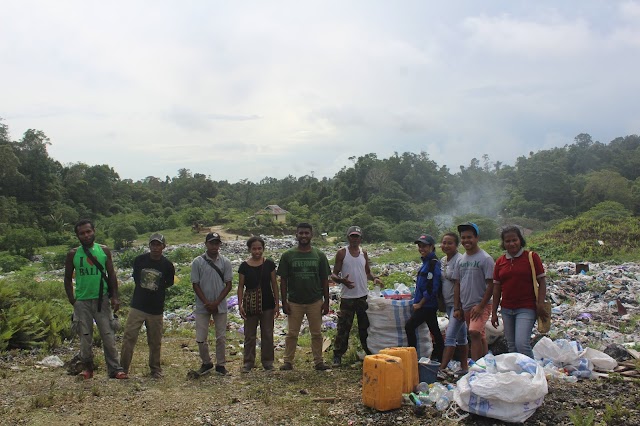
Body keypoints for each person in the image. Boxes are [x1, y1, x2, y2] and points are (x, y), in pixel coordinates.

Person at [63, 219, 128, 379]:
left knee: (108, 335)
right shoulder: (73, 254)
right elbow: (67, 279)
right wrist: (73, 300)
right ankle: (87, 369)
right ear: (77, 235)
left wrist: (115, 296)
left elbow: (111, 274)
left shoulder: (103, 251)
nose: (86, 235)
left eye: (88, 231)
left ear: (94, 231)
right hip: (82, 301)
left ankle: (115, 369)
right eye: (82, 233)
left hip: (102, 300)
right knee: (85, 338)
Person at [120, 233, 175, 378]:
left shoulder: (167, 265)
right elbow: (136, 278)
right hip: (137, 306)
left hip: (156, 309)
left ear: (164, 246)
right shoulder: (140, 260)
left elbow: (169, 283)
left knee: (155, 341)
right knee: (129, 338)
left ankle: (155, 369)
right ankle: (123, 368)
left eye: (159, 245)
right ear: (149, 245)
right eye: (153, 244)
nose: (156, 248)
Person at [278, 222, 331, 371]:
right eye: (301, 233)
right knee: (292, 334)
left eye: (306, 233)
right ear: (296, 235)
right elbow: (283, 280)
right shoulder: (288, 255)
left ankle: (319, 361)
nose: (303, 236)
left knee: (316, 333)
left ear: (311, 235)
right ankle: (288, 361)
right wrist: (284, 301)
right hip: (294, 301)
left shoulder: (319, 255)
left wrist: (326, 302)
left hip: (315, 301)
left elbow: (324, 280)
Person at [491, 226, 548, 359]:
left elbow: (542, 282)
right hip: (506, 309)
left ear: (520, 240)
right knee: (511, 345)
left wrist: (540, 304)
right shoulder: (500, 261)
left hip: (526, 307)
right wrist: (494, 312)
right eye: (507, 241)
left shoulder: (531, 257)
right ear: (503, 243)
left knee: (522, 344)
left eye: (514, 240)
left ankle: (532, 373)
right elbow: (497, 288)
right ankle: (519, 374)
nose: (511, 244)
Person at [330, 226, 382, 367]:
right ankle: (337, 355)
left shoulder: (363, 254)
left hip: (363, 296)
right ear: (348, 237)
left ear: (360, 238)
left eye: (357, 236)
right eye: (352, 236)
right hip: (348, 297)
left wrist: (375, 278)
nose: (354, 239)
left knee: (365, 327)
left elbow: (367, 272)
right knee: (343, 327)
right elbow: (334, 274)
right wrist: (342, 281)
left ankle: (369, 352)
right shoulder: (342, 253)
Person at [190, 232, 233, 376]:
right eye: (211, 243)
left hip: (219, 305)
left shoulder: (225, 262)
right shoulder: (198, 262)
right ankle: (206, 362)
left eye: (217, 243)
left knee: (220, 337)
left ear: (220, 244)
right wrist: (207, 303)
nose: (214, 246)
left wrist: (216, 302)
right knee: (201, 337)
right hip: (203, 306)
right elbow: (195, 284)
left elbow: (228, 284)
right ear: (206, 244)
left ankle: (221, 364)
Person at [452, 222, 495, 361]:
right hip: (466, 305)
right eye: (463, 238)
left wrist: (481, 306)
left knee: (474, 332)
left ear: (476, 238)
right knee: (480, 335)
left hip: (481, 304)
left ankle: (476, 368)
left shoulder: (485, 259)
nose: (466, 240)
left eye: (469, 237)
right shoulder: (461, 260)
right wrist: (457, 307)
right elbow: (458, 284)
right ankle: (486, 365)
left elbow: (491, 285)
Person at [237, 236, 279, 372]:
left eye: (259, 248)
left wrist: (277, 304)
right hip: (250, 305)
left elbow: (274, 284)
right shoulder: (244, 266)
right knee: (249, 335)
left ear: (263, 249)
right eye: (254, 248)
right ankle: (248, 362)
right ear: (249, 249)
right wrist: (240, 304)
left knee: (267, 333)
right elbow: (240, 286)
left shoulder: (269, 264)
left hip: (267, 303)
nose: (257, 251)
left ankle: (268, 362)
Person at [404, 234, 444, 362]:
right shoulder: (426, 262)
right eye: (420, 246)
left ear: (432, 247)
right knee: (434, 330)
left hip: (427, 305)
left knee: (409, 326)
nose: (421, 249)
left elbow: (432, 288)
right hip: (426, 304)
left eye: (424, 246)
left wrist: (420, 304)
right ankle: (440, 355)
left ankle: (413, 357)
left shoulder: (432, 264)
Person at [438, 232, 469, 377]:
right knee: (462, 337)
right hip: (449, 303)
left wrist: (459, 306)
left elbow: (461, 284)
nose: (446, 246)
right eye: (444, 242)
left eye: (450, 243)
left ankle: (442, 369)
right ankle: (464, 367)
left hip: (459, 305)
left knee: (450, 336)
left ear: (456, 245)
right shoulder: (443, 261)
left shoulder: (460, 260)